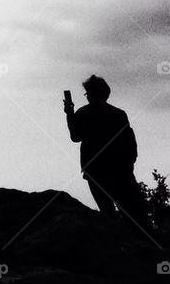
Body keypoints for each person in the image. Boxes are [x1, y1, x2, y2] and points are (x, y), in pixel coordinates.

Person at [64, 75, 153, 237]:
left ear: (91, 94)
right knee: (133, 211)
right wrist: (129, 164)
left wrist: (69, 114)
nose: (87, 96)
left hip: (96, 171)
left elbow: (75, 137)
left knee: (107, 213)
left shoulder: (84, 113)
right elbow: (130, 142)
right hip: (120, 170)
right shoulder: (119, 114)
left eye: (87, 93)